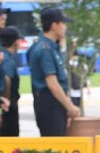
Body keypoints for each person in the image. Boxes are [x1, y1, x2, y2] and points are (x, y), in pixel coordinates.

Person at [27, 7, 79, 136]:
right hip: (49, 103)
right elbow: (53, 84)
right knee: (55, 145)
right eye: (63, 23)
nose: (65, 27)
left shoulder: (48, 46)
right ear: (54, 25)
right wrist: (70, 107)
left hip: (54, 102)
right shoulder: (45, 49)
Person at [0, 26, 23, 137]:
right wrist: (6, 101)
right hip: (8, 106)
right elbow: (7, 79)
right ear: (15, 42)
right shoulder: (8, 60)